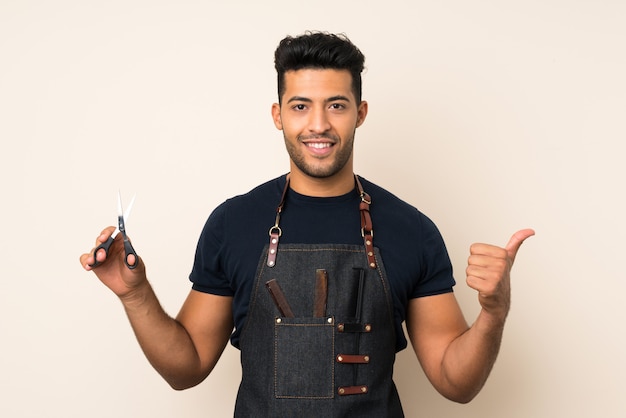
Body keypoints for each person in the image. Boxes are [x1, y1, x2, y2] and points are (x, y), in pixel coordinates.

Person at [80, 31, 534, 417]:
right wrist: (135, 295)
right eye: (300, 106)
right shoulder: (233, 223)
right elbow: (187, 368)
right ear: (278, 115)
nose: (318, 125)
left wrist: (494, 314)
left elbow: (457, 383)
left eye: (336, 105)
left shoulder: (411, 230)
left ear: (361, 112)